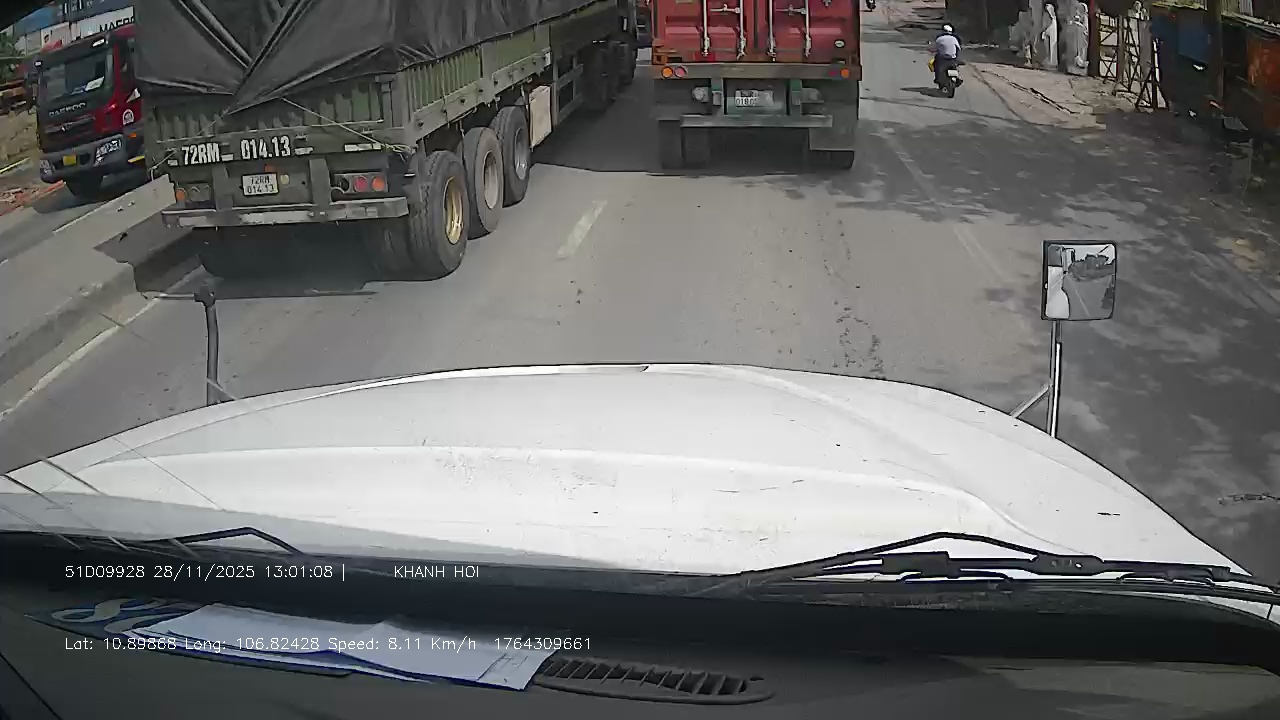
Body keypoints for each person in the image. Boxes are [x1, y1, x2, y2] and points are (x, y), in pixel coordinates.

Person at [931, 24, 963, 89]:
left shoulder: (939, 39)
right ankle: (956, 78)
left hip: (942, 58)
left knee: (935, 63)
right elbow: (959, 48)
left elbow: (935, 48)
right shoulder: (954, 39)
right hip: (952, 58)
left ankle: (937, 78)